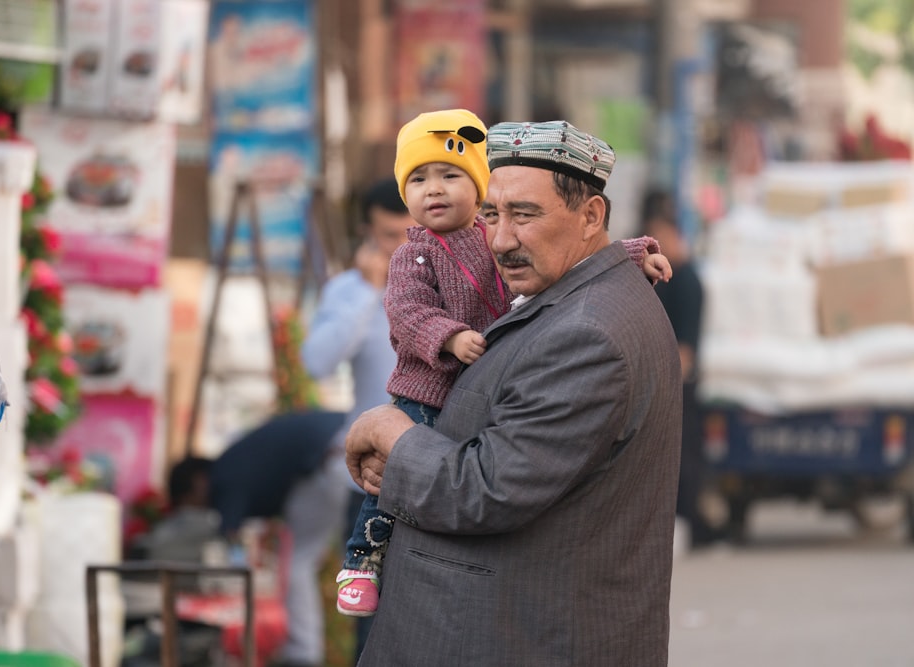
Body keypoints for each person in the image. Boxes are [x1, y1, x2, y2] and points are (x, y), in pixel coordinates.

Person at [345, 120, 683, 666]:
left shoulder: (587, 334)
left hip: (527, 640)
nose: (501, 240)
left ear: (591, 216)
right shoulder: (578, 295)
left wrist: (391, 434)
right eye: (490, 216)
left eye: (524, 215)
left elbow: (488, 489)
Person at [300, 176, 413, 662]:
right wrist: (370, 293)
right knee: (370, 622)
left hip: (441, 475)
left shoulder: (450, 288)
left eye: (413, 234)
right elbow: (316, 362)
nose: (404, 248)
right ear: (368, 234)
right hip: (369, 484)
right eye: (390, 237)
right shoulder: (349, 291)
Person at [209, 409, 348, 667]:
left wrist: (237, 570)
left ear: (196, 481)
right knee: (359, 561)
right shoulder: (239, 457)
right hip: (345, 446)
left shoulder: (223, 474)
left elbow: (231, 538)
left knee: (298, 563)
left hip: (330, 459)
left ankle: (302, 654)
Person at [641, 191, 713, 547]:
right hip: (657, 381)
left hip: (678, 385)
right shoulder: (658, 276)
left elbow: (687, 346)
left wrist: (669, 386)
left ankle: (689, 524)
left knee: (684, 460)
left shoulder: (687, 280)